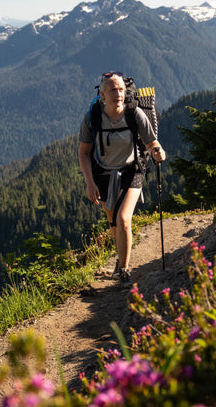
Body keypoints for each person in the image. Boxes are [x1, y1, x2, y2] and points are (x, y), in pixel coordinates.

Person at [78, 71, 165, 282]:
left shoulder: (134, 114)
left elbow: (152, 143)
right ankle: (120, 258)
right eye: (112, 90)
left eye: (120, 90)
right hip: (103, 172)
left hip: (132, 169)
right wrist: (90, 183)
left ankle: (124, 270)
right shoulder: (93, 117)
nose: (118, 94)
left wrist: (158, 152)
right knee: (113, 222)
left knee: (123, 218)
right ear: (102, 95)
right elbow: (84, 153)